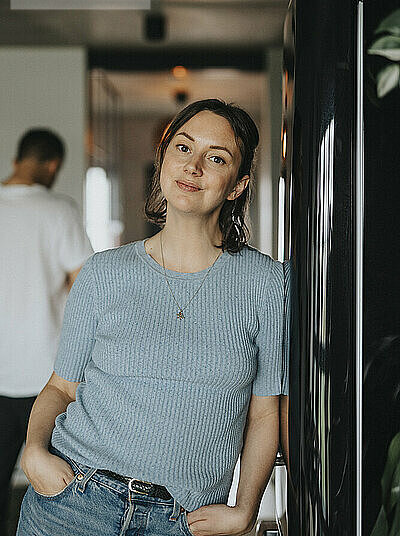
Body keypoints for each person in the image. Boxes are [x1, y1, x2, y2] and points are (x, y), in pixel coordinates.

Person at [16, 100, 288, 536]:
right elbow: (61, 387)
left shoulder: (267, 285)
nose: (194, 166)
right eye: (183, 148)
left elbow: (264, 411)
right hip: (73, 502)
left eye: (216, 157)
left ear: (236, 185)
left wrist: (245, 508)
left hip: (183, 520)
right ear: (163, 159)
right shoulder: (103, 273)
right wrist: (33, 451)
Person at [0, 128, 93, 532]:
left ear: (18, 158)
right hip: (47, 377)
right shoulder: (59, 210)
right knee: (57, 485)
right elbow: (86, 284)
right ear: (53, 164)